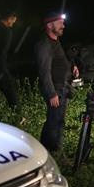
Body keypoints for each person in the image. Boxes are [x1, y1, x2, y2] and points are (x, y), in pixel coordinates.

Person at [34, 11, 79, 153]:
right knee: (56, 122)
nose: (63, 26)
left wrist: (72, 67)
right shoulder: (44, 45)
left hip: (61, 87)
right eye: (60, 23)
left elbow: (60, 60)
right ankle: (53, 153)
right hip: (55, 89)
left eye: (63, 23)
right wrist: (51, 93)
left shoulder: (55, 41)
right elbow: (44, 71)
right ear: (49, 25)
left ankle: (45, 149)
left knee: (55, 121)